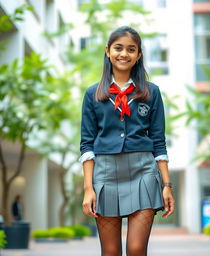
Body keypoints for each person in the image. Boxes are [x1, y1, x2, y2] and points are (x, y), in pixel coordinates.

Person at [80, 26, 175, 256]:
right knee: (111, 251)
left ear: (139, 55)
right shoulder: (93, 94)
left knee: (136, 249)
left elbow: (158, 142)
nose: (124, 54)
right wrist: (88, 188)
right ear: (108, 51)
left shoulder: (151, 93)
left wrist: (167, 185)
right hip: (105, 175)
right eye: (118, 48)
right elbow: (86, 144)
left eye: (131, 49)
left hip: (142, 172)